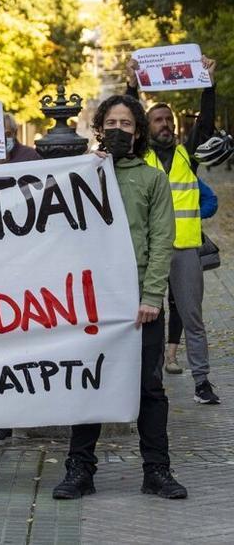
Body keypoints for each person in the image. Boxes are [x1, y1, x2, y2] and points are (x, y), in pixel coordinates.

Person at [52, 93, 186, 501]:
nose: (118, 131)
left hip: (138, 304)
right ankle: (80, 470)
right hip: (93, 301)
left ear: (138, 131)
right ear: (99, 128)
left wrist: (151, 297)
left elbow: (162, 241)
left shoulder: (152, 180)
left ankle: (157, 471)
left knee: (149, 388)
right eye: (111, 123)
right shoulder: (81, 175)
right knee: (90, 383)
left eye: (127, 124)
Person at [129, 56, 220, 405]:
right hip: (150, 252)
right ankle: (148, 385)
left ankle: (202, 383)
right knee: (149, 318)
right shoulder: (141, 159)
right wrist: (131, 86)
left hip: (184, 250)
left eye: (168, 119)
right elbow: (127, 121)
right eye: (158, 120)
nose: (165, 124)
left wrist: (208, 84)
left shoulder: (187, 154)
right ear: (146, 127)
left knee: (192, 317)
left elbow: (207, 126)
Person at [167, 177, 218, 374]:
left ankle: (171, 355)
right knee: (154, 308)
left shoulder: (186, 174)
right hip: (155, 247)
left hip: (182, 248)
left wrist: (193, 217)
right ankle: (158, 360)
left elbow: (211, 201)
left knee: (178, 305)